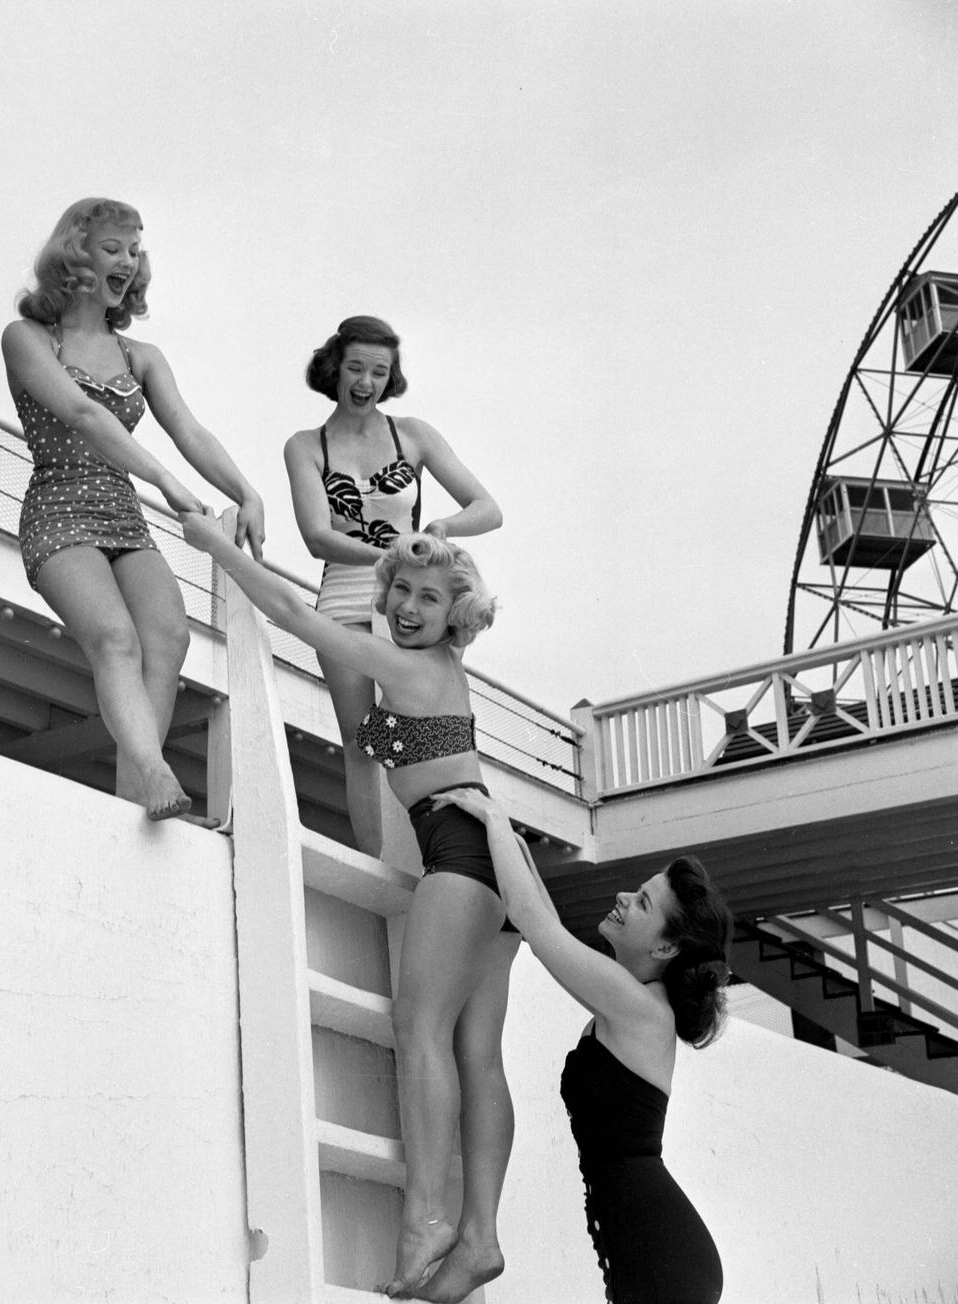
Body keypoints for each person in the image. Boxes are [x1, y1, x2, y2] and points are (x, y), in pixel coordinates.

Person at [178, 517, 518, 1302]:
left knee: (418, 1028)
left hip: (461, 855)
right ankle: (480, 1239)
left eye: (428, 597)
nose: (405, 605)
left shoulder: (407, 665)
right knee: (477, 1057)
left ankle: (430, 1217)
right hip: (488, 858)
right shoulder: (438, 666)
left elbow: (299, 619)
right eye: (398, 587)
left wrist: (222, 550)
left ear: (454, 613)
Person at [2, 197, 265, 821]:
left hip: (120, 510)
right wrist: (168, 484)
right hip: (61, 505)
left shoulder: (140, 357)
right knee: (114, 638)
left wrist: (246, 492)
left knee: (168, 638)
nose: (128, 261)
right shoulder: (30, 337)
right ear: (76, 252)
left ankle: (134, 794)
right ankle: (152, 771)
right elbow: (83, 415)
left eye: (135, 249)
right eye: (113, 247)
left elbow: (191, 431)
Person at [430, 787, 732, 1304]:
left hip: (662, 1258)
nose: (622, 897)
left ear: (665, 947)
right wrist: (513, 842)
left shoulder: (639, 1010)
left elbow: (534, 921)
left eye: (641, 903)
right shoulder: (627, 1000)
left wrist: (491, 817)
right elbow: (549, 928)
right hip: (650, 1249)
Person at [284, 316, 501, 856]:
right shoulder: (306, 445)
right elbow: (317, 537)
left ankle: (428, 857)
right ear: (334, 366)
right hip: (343, 598)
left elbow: (488, 509)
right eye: (356, 366)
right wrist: (394, 552)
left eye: (379, 371)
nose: (366, 381)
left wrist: (442, 529)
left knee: (420, 733)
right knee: (363, 742)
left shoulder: (414, 435)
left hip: (409, 599)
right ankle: (377, 860)